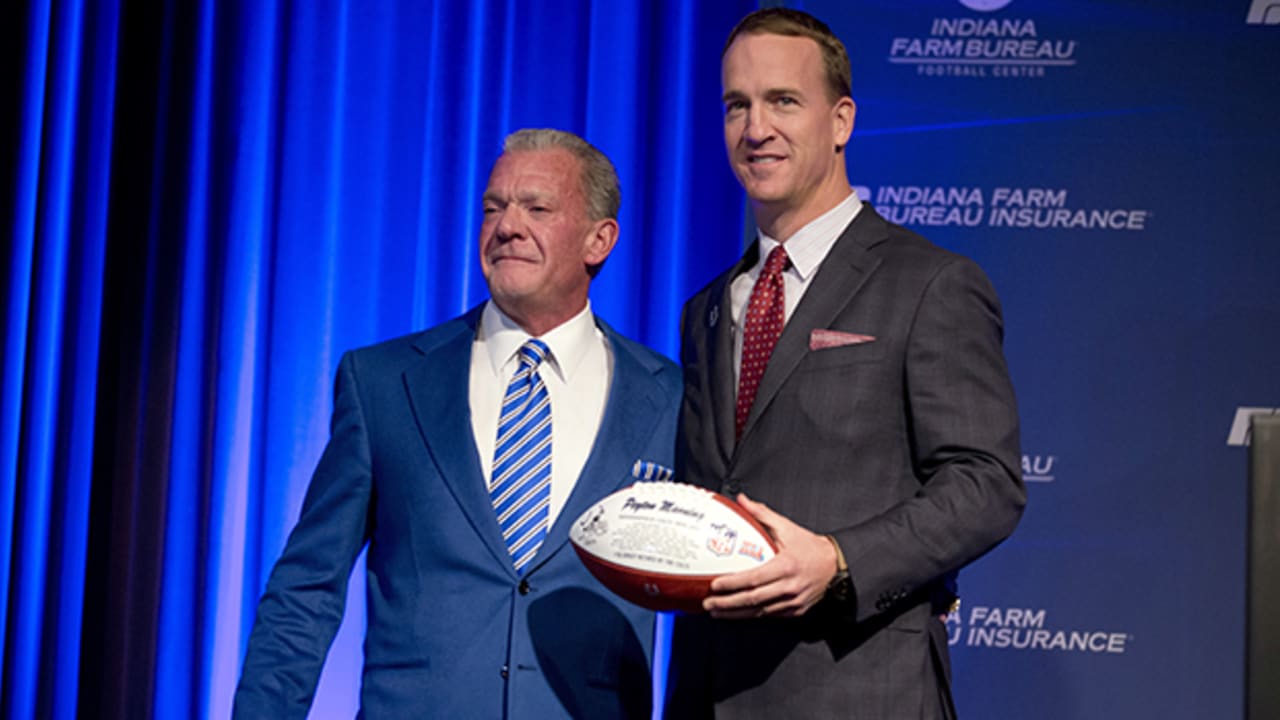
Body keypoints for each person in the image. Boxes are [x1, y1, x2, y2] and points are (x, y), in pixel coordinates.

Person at [234, 128, 681, 719]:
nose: (507, 226)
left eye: (537, 208)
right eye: (493, 207)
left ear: (600, 240)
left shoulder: (670, 397)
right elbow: (305, 591)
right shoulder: (385, 384)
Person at [665, 9, 1026, 719]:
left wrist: (839, 560)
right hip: (709, 694)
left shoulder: (930, 283)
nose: (755, 128)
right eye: (737, 104)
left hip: (859, 688)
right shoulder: (708, 306)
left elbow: (987, 484)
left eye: (783, 101)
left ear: (841, 120)